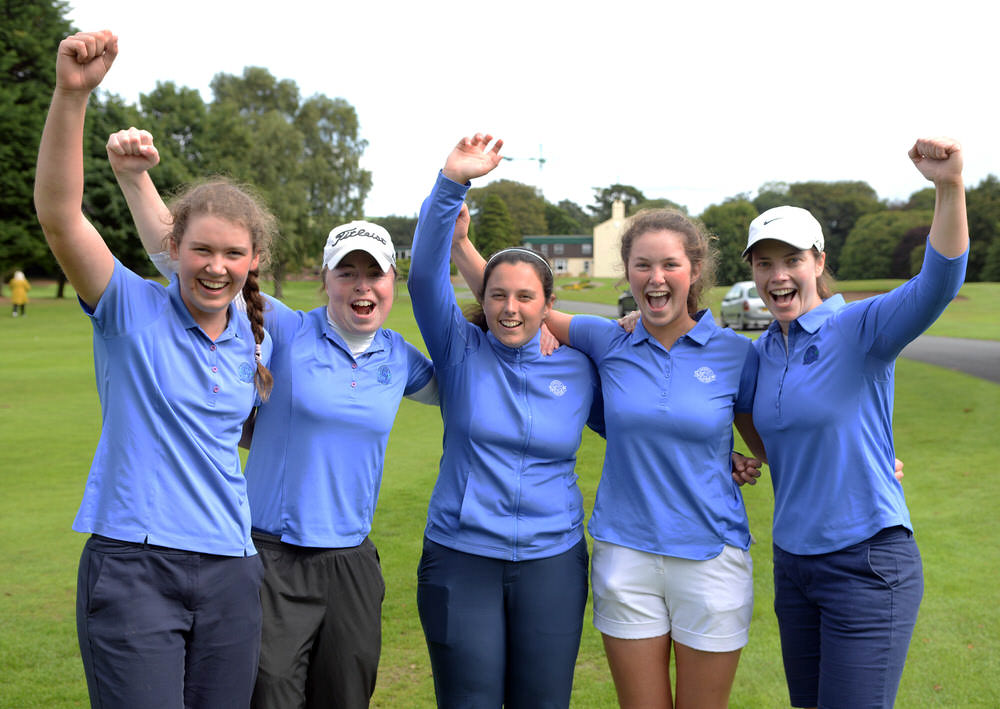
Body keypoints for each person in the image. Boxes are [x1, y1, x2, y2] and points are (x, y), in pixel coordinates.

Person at [106, 127, 441, 708]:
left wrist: (551, 333)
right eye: (347, 273)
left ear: (392, 282)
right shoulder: (286, 328)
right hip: (273, 555)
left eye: (374, 274)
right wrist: (136, 179)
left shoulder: (401, 358)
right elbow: (183, 257)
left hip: (352, 560)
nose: (361, 287)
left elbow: (474, 376)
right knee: (270, 697)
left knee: (346, 695)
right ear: (326, 278)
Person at [34, 31, 275, 708]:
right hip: (134, 565)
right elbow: (58, 216)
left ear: (252, 259)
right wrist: (72, 95)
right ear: (173, 246)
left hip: (232, 568)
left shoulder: (257, 334)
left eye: (233, 253)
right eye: (201, 249)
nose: (216, 266)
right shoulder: (128, 307)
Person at [743, 137, 968, 709]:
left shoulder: (862, 330)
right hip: (793, 568)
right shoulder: (760, 352)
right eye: (764, 263)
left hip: (866, 563)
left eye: (792, 260)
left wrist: (948, 186)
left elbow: (937, 284)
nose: (778, 276)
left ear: (818, 263)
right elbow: (727, 410)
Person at [407, 133, 604, 708]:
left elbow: (640, 429)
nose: (510, 308)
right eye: (498, 296)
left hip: (552, 561)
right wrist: (451, 184)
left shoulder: (580, 367)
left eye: (524, 297)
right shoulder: (461, 350)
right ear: (483, 298)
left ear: (548, 304)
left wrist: (725, 455)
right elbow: (423, 279)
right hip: (460, 557)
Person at [541, 207, 762, 709]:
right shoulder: (609, 338)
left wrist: (871, 465)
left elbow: (776, 443)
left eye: (669, 265)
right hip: (626, 555)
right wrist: (455, 224)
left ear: (695, 271)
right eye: (642, 265)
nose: (656, 278)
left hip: (712, 557)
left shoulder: (736, 354)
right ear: (627, 271)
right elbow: (515, 298)